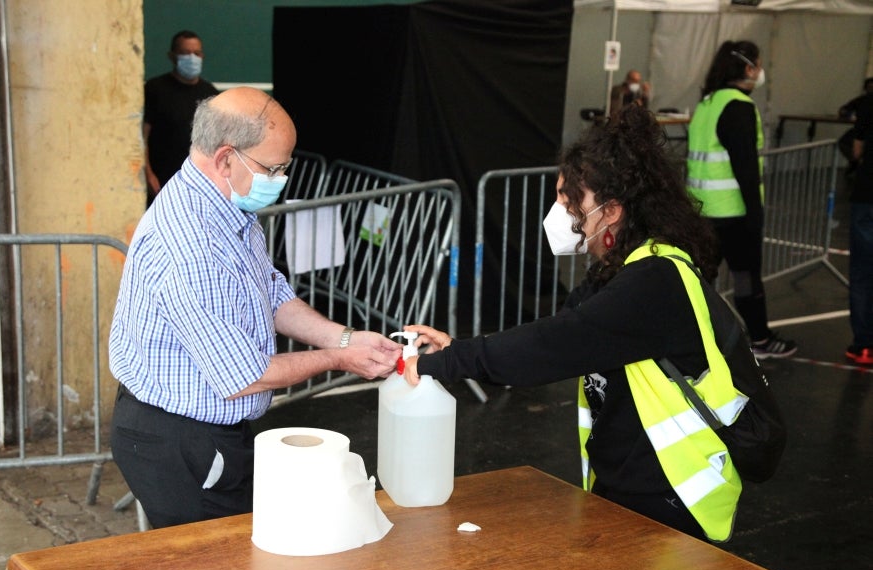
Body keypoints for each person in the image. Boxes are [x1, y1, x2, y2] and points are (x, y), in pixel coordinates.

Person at [403, 106, 744, 542]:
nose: (558, 213)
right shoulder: (616, 270)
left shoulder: (654, 280)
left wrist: (452, 361)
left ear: (612, 210)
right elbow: (554, 338)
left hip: (676, 498)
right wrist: (458, 348)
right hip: (628, 484)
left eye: (569, 202)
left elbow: (552, 346)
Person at [109, 87, 401, 528]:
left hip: (209, 428)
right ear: (226, 158)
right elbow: (244, 375)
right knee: (214, 569)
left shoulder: (225, 207)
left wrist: (344, 337)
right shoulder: (192, 245)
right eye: (273, 167)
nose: (282, 179)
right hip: (178, 439)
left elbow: (270, 289)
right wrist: (342, 358)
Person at [686, 40, 796, 359]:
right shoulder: (739, 107)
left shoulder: (707, 105)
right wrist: (755, 214)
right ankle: (760, 339)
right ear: (748, 68)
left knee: (701, 278)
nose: (760, 72)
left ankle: (688, 338)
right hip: (732, 213)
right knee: (746, 278)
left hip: (701, 210)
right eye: (758, 65)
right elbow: (745, 167)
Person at [143, 30, 219, 209]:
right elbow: (142, 137)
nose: (192, 58)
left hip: (198, 185)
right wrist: (148, 174)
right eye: (185, 53)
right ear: (172, 56)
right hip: (161, 184)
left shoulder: (210, 93)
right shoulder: (155, 89)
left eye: (197, 53)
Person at [846, 83, 873, 365]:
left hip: (867, 195)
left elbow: (856, 149)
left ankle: (864, 345)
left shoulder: (868, 103)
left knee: (864, 272)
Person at [837, 77, 873, 176]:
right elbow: (844, 109)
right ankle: (855, 162)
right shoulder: (861, 100)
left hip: (866, 132)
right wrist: (846, 113)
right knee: (844, 142)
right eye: (869, 87)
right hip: (861, 130)